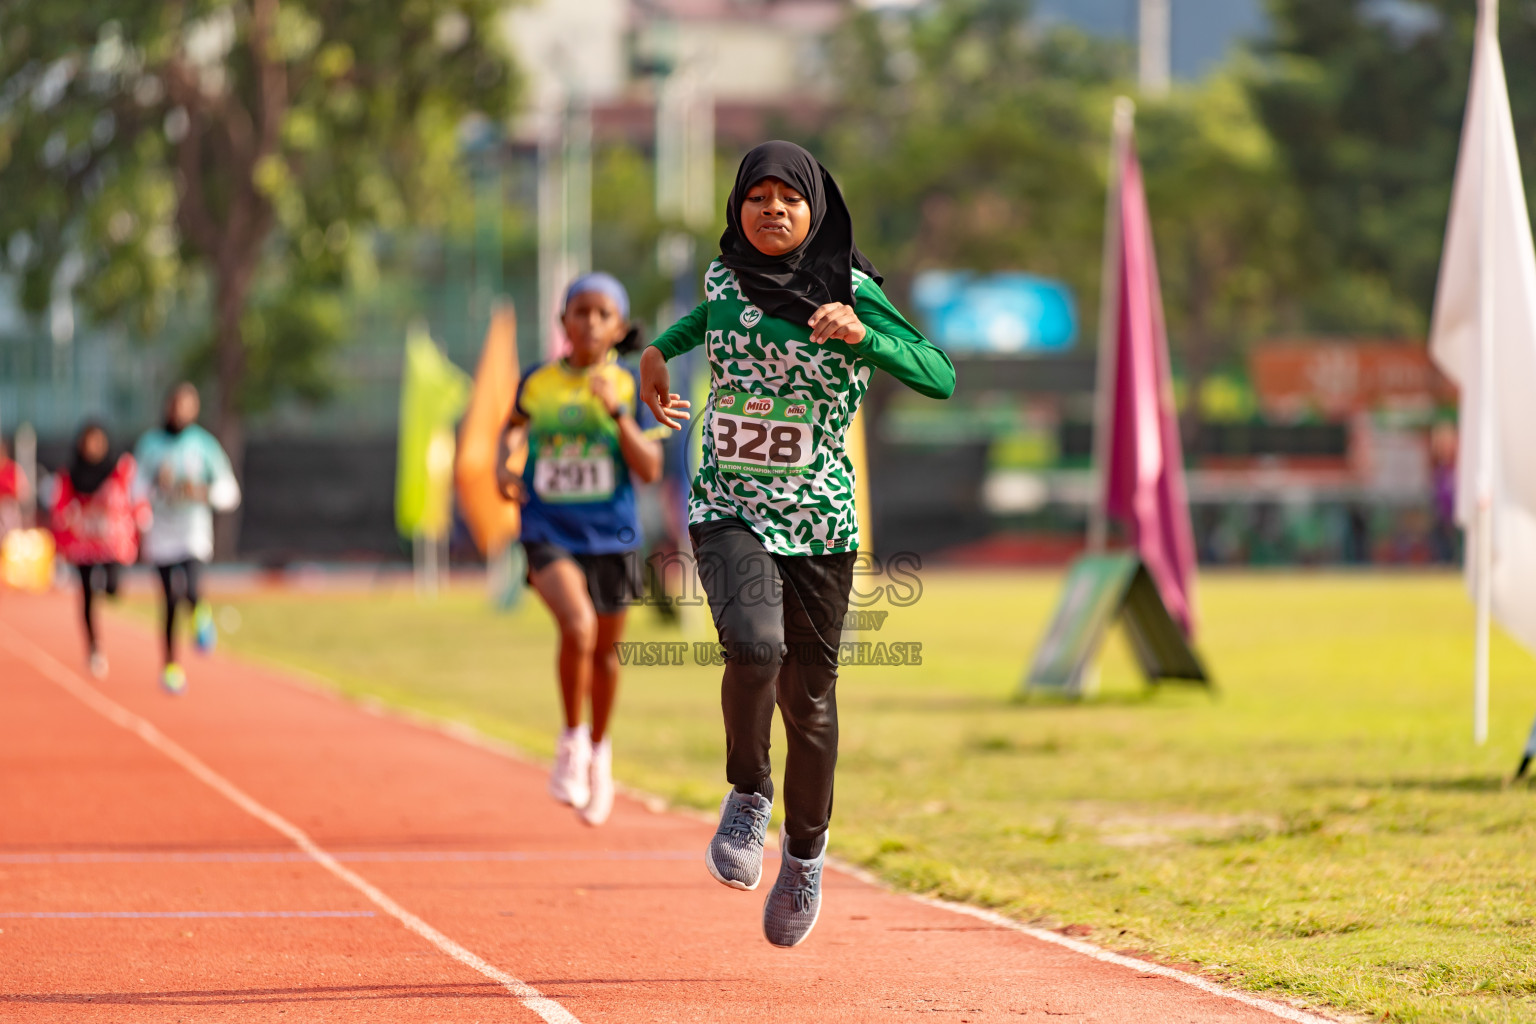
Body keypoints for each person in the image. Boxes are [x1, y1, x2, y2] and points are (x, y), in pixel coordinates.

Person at [640, 141, 955, 947]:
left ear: (816, 210)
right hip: (729, 503)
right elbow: (694, 325)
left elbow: (939, 375)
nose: (772, 210)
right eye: (757, 196)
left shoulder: (852, 293)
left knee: (808, 701)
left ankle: (806, 855)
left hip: (818, 519)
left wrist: (864, 337)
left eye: (789, 198)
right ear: (737, 207)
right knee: (753, 651)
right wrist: (652, 356)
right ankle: (749, 791)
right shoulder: (723, 278)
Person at [501, 274, 663, 826]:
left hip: (613, 535)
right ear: (563, 321)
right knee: (578, 628)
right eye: (580, 312)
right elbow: (515, 431)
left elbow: (649, 469)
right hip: (548, 528)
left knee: (606, 655)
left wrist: (616, 411)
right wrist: (506, 465)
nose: (590, 322)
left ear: (619, 327)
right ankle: (571, 741)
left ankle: (600, 753)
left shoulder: (631, 385)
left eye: (601, 314)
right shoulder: (537, 382)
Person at [133, 383, 241, 695]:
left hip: (192, 530)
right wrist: (156, 483)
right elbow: (135, 489)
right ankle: (170, 666)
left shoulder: (204, 445)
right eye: (176, 405)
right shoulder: (151, 445)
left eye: (187, 405)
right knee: (168, 600)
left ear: (194, 409)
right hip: (162, 532)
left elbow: (229, 491)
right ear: (168, 406)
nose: (180, 411)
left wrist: (202, 492)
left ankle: (200, 612)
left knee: (191, 587)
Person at [50, 422, 150, 678]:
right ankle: (94, 647)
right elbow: (59, 507)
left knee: (112, 588)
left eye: (98, 442)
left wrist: (141, 517)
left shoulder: (119, 468)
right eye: (89, 442)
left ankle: (108, 587)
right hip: (83, 543)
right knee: (86, 596)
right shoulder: (70, 474)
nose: (94, 448)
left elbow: (134, 492)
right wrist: (68, 519)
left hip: (110, 543)